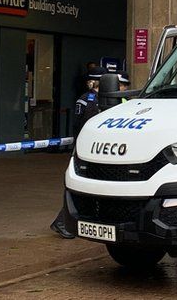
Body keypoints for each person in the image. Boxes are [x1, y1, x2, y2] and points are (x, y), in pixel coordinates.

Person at [52, 65, 105, 239]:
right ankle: (62, 222)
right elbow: (87, 126)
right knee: (83, 187)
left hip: (88, 148)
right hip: (90, 150)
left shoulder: (85, 98)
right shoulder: (94, 100)